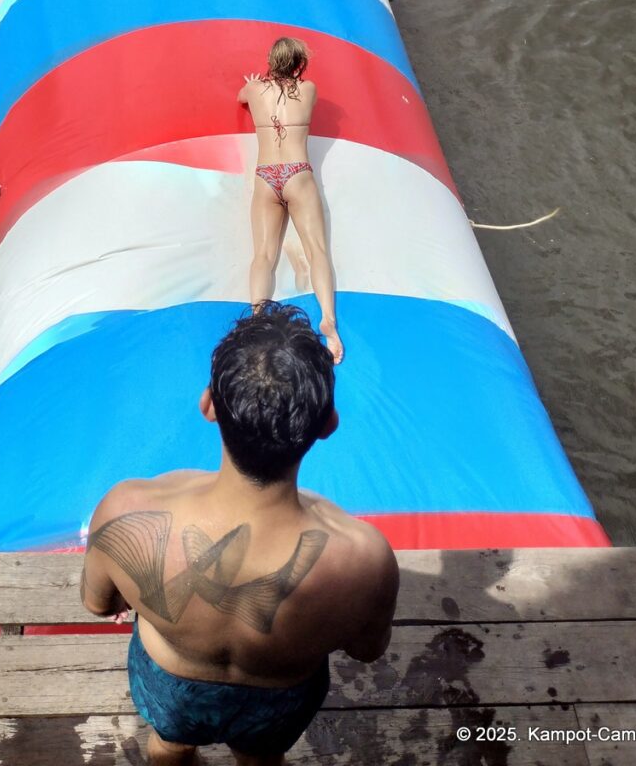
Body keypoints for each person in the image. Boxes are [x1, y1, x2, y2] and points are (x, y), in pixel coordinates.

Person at [80, 303, 399, 765]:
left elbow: (97, 603)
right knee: (261, 759)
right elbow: (368, 650)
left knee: (168, 744)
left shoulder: (126, 508)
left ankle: (173, 749)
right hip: (280, 697)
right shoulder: (364, 558)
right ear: (329, 424)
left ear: (208, 405)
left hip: (168, 679)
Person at [238, 37, 344, 364]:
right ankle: (328, 319)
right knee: (317, 252)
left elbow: (241, 97)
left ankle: (257, 319)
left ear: (271, 61)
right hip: (298, 172)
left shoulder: (256, 92)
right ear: (300, 63)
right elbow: (300, 91)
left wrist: (256, 84)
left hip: (267, 174)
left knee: (264, 255)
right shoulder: (309, 89)